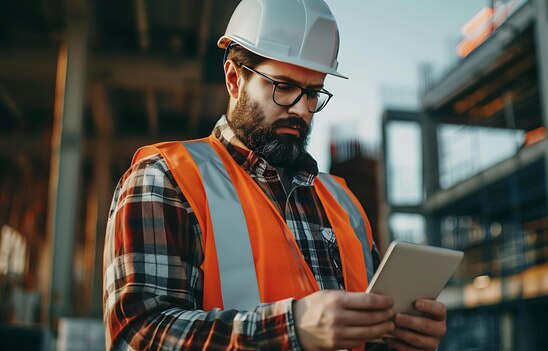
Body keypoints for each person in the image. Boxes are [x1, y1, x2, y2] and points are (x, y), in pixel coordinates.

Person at [103, 0, 448, 350]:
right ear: (235, 80)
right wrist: (292, 329)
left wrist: (400, 337)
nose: (301, 109)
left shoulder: (344, 204)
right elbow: (138, 336)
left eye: (313, 93)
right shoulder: (166, 178)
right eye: (283, 87)